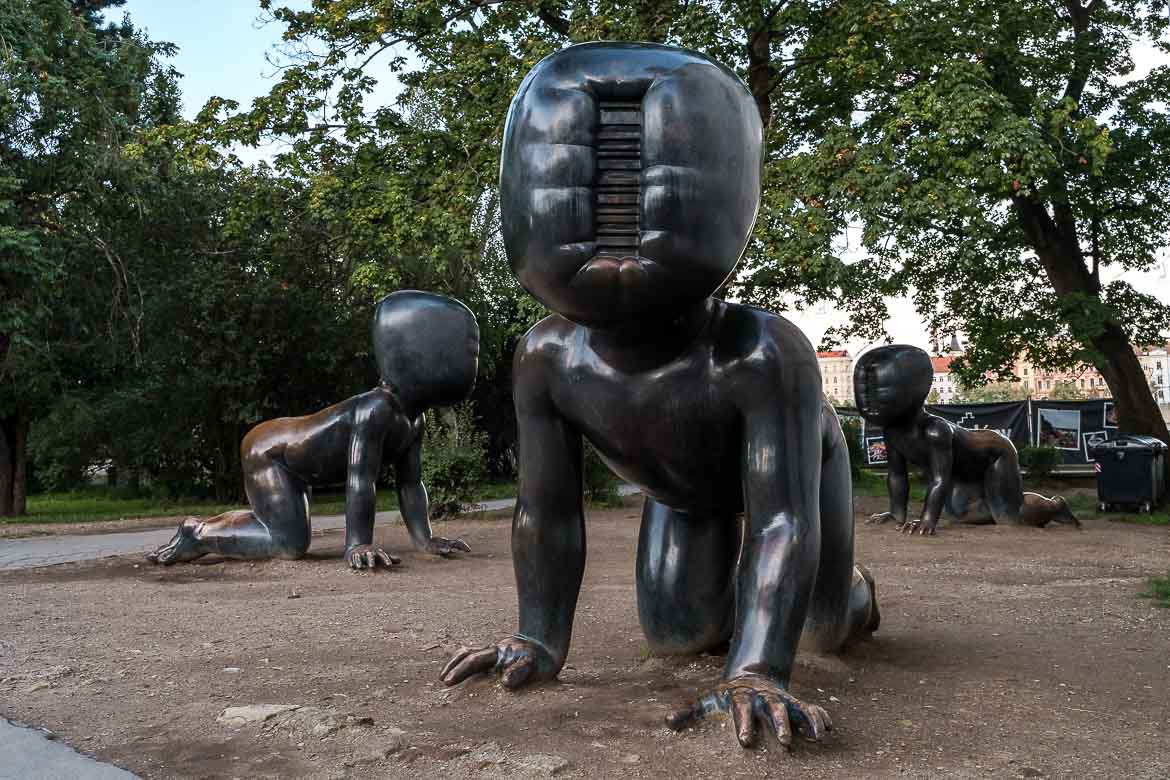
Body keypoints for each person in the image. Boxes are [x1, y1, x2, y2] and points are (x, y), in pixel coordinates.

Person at [147, 290, 479, 568]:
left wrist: (425, 539)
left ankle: (214, 527)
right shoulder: (375, 410)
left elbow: (410, 483)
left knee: (284, 532)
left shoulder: (412, 419)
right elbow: (360, 481)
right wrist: (357, 545)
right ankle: (197, 533)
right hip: (272, 452)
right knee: (289, 544)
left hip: (293, 456)